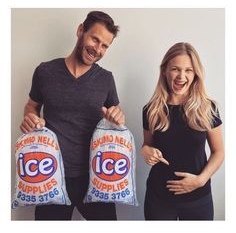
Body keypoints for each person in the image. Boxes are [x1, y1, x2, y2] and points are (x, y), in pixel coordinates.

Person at [20, 11, 125, 220]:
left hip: (96, 176)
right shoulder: (45, 71)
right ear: (80, 31)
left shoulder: (106, 79)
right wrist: (30, 117)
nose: (98, 49)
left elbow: (117, 119)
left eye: (105, 46)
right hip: (50, 175)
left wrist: (118, 119)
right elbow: (31, 106)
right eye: (95, 39)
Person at [141, 42, 224, 220]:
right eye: (175, 69)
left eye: (188, 70)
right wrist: (146, 151)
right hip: (159, 199)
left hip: (198, 199)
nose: (181, 76)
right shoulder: (151, 109)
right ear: (164, 71)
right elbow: (146, 145)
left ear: (195, 74)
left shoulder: (207, 108)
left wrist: (200, 180)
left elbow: (219, 152)